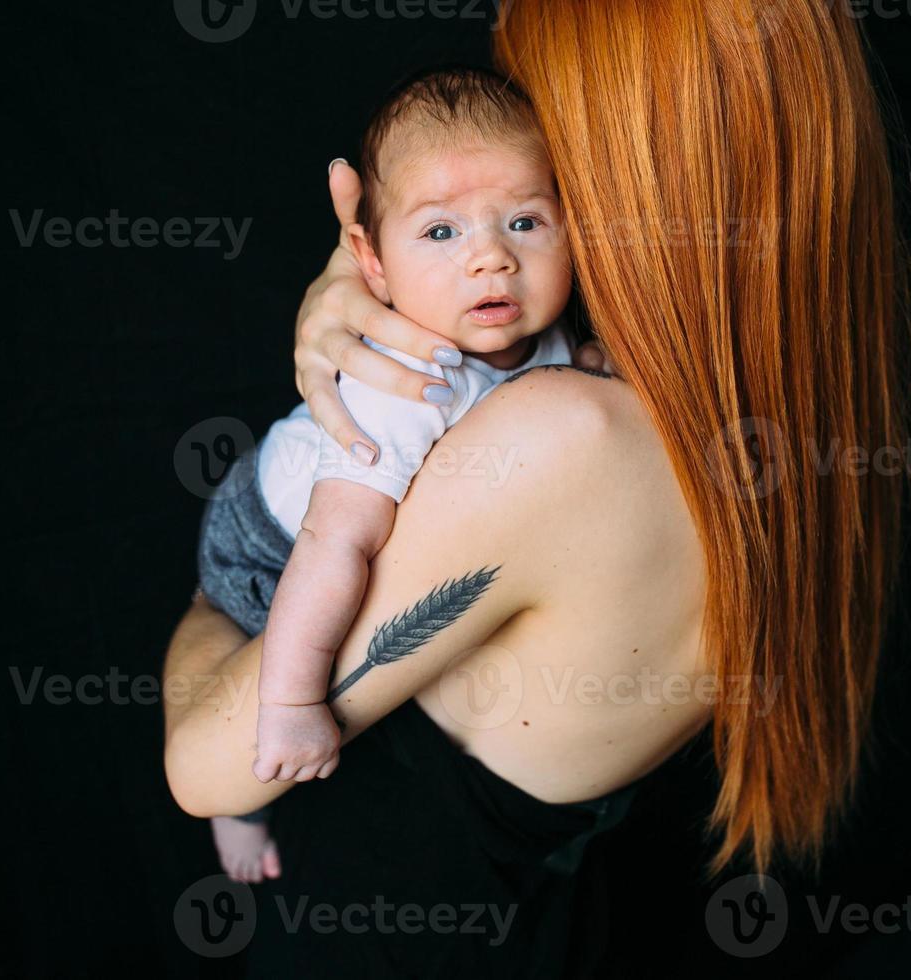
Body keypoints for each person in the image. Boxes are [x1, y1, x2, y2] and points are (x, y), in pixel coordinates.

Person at [164, 0, 911, 972]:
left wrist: (204, 609)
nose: (492, 244)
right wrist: (359, 279)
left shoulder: (561, 438)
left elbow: (200, 767)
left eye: (543, 181)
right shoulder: (827, 437)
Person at [196, 66, 593, 883]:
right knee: (302, 673)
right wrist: (293, 704)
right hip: (274, 540)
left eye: (524, 221)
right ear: (369, 263)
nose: (490, 259)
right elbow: (334, 544)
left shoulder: (547, 338)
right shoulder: (409, 385)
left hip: (342, 522)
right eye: (441, 233)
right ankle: (241, 808)